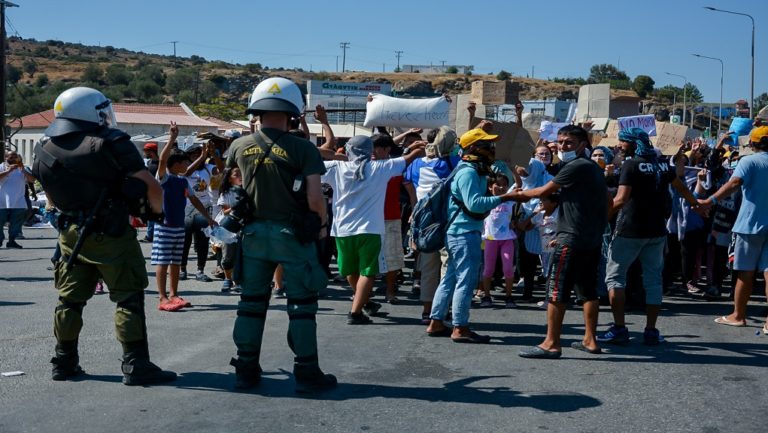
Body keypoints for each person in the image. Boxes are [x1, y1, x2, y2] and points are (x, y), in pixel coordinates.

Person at [32, 86, 176, 385]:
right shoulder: (111, 141)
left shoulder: (44, 145)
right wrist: (157, 214)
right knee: (128, 298)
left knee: (69, 301)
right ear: (91, 111)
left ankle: (63, 361)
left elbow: (48, 191)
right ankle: (136, 364)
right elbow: (150, 185)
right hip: (111, 233)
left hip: (69, 234)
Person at [227, 77, 336, 393]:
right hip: (292, 235)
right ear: (292, 112)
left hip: (254, 235)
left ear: (256, 111)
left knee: (250, 303)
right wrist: (320, 228)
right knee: (302, 306)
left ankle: (245, 368)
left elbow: (234, 189)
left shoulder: (238, 146)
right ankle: (307, 371)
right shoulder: (303, 148)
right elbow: (315, 198)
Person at [599, 128, 700, 346]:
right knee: (653, 281)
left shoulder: (631, 164)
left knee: (615, 278)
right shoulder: (662, 163)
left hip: (629, 231)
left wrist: (601, 221)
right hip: (656, 232)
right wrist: (695, 204)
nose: (619, 145)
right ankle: (652, 330)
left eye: (623, 142)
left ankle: (619, 328)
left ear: (634, 144)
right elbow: (679, 186)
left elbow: (621, 199)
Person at [425, 127, 527, 343]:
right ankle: (460, 327)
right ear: (473, 148)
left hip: (460, 232)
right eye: (486, 145)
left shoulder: (472, 170)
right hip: (464, 233)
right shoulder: (469, 172)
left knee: (451, 278)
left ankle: (436, 322)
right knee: (466, 281)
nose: (491, 148)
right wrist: (505, 198)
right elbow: (475, 204)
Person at [517, 125, 608, 358]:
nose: (562, 146)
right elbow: (605, 200)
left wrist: (508, 196)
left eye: (568, 142)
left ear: (582, 144)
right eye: (559, 142)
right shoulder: (593, 168)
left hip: (572, 238)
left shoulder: (577, 165)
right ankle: (590, 340)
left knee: (556, 290)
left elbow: (542, 191)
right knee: (588, 291)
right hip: (589, 238)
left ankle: (551, 343)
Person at [321, 134, 425, 324]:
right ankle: (356, 312)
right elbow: (410, 158)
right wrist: (417, 147)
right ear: (371, 151)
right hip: (370, 229)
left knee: (349, 271)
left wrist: (340, 157)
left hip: (342, 229)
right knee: (367, 271)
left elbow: (313, 157)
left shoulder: (336, 167)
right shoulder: (380, 167)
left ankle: (362, 305)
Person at [700, 126, 768, 333]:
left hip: (749, 225)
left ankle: (738, 315)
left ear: (753, 143)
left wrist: (710, 200)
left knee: (744, 273)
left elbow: (735, 183)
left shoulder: (748, 161)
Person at [152, 122, 216, 312]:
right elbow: (163, 161)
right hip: (164, 226)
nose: (188, 165)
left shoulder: (182, 181)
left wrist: (208, 217)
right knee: (163, 262)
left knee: (175, 262)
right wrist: (172, 139)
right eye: (185, 162)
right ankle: (163, 297)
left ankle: (174, 294)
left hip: (178, 226)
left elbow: (195, 200)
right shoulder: (163, 177)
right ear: (176, 164)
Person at [403, 126, 460, 323]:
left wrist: (414, 207)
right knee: (447, 269)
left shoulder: (416, 164)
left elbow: (407, 183)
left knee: (427, 268)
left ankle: (427, 311)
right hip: (447, 222)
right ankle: (443, 309)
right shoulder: (451, 162)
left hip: (423, 222)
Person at [372, 134, 409, 304]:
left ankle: (390, 291)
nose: (372, 151)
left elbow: (410, 188)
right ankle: (364, 292)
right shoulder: (363, 165)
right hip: (369, 219)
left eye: (376, 148)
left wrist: (415, 210)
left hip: (391, 217)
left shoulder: (396, 167)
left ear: (387, 150)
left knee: (392, 258)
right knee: (368, 258)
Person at [480, 173, 517, 308]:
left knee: (508, 269)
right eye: (498, 184)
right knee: (488, 269)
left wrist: (514, 172)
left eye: (504, 185)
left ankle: (509, 297)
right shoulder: (485, 201)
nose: (502, 187)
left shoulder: (509, 200)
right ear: (490, 187)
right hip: (490, 239)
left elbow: (519, 186)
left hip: (507, 239)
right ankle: (487, 296)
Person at [0, 150, 34, 248]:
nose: (14, 159)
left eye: (15, 157)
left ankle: (12, 241)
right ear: (6, 158)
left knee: (16, 223)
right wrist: (9, 171)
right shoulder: (1, 167)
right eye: (11, 157)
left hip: (18, 201)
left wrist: (22, 170)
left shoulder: (22, 168)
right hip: (2, 201)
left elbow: (32, 180)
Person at [140, 142, 160, 243]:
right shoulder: (148, 163)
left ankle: (150, 236)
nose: (144, 153)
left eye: (146, 151)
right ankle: (150, 235)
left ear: (151, 152)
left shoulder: (161, 163)